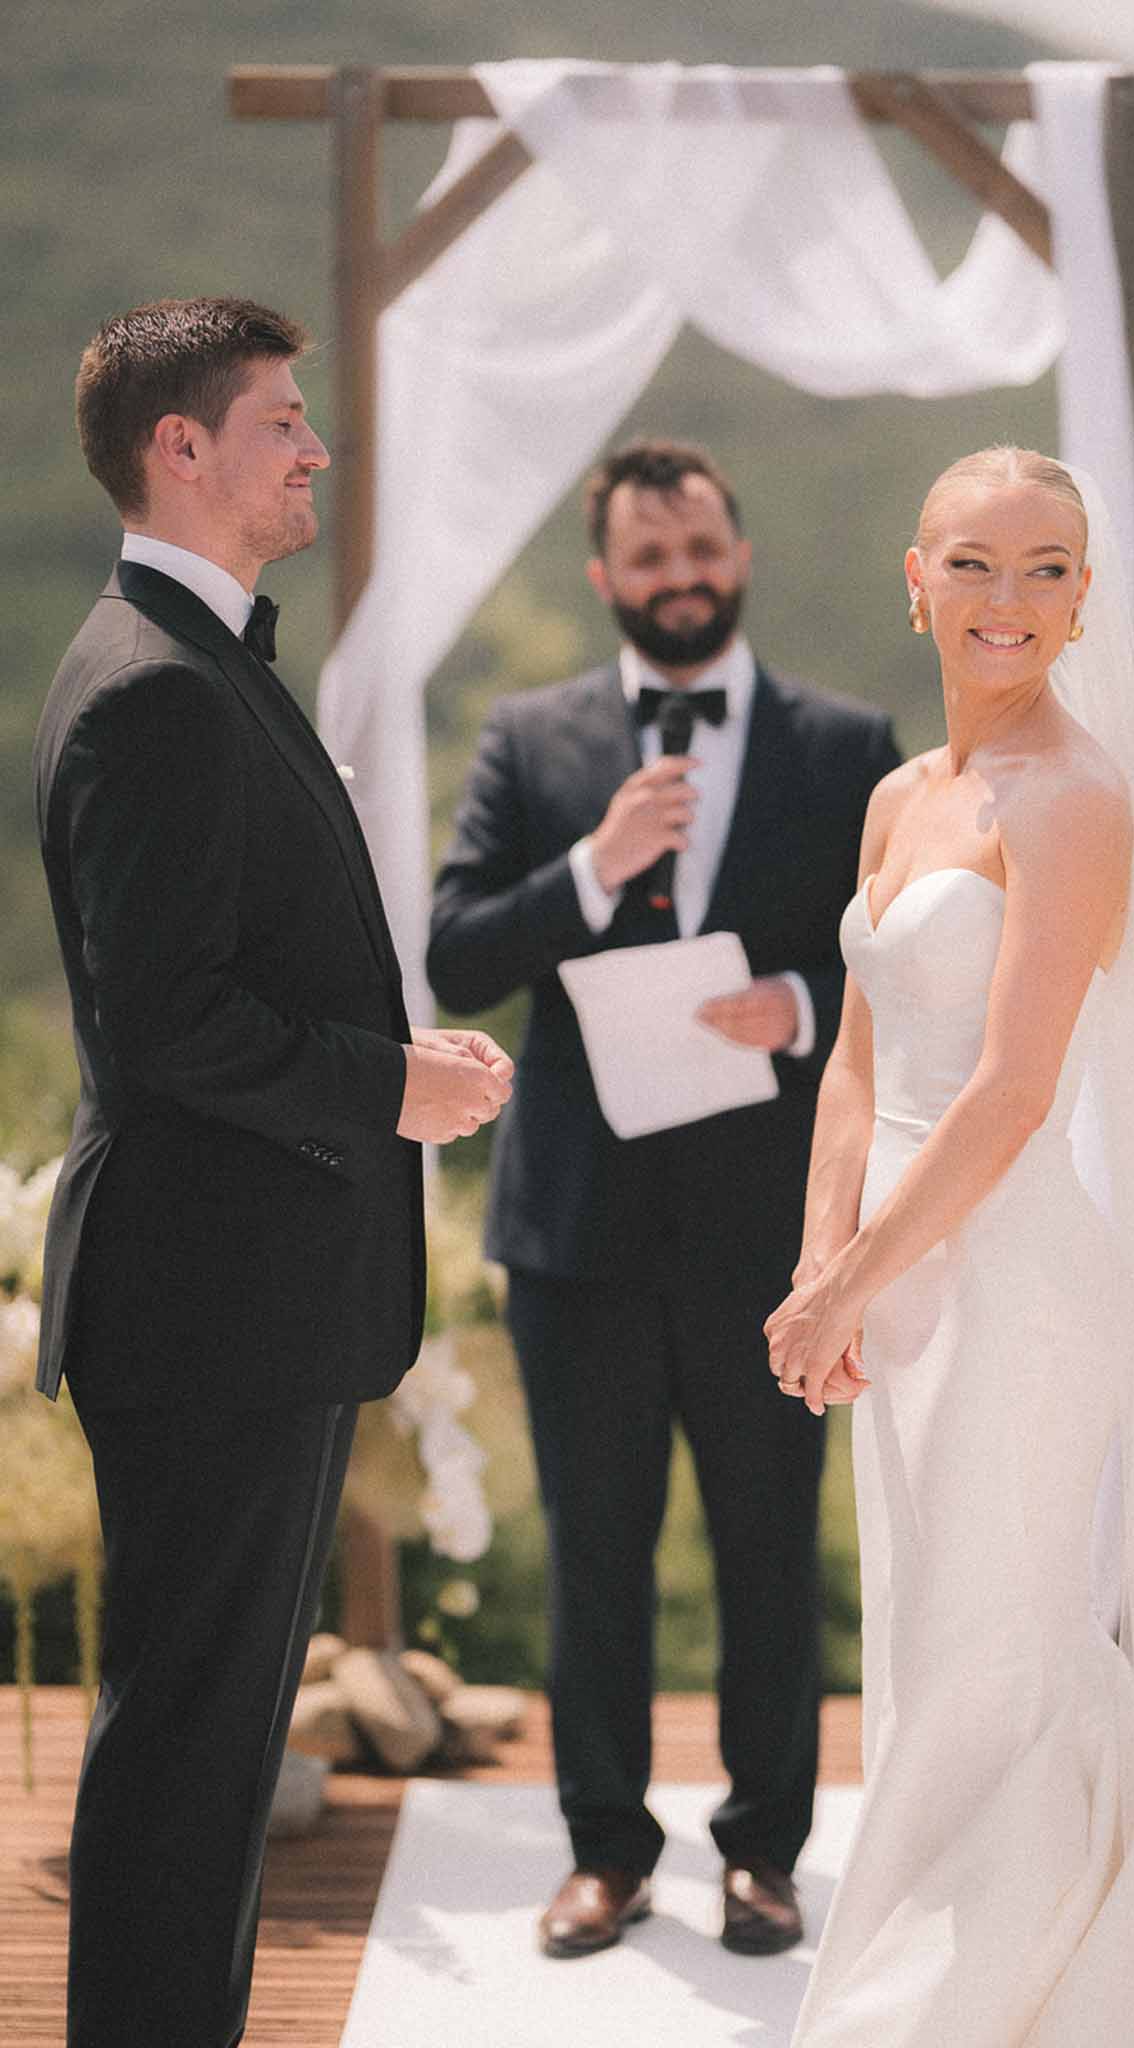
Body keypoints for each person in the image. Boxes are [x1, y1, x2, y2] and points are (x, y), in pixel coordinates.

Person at [765, 447, 1134, 2045]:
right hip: (897, 1282)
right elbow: (860, 1059)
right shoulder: (902, 796)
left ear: (1086, 596)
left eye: (1045, 567)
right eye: (973, 563)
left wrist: (850, 1280)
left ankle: (957, 2002)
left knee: (1000, 1654)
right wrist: (823, 1271)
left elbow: (1018, 1091)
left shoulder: (1078, 799)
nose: (1007, 600)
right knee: (930, 1643)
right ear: (915, 580)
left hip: (1018, 1287)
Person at [33, 296, 513, 2048]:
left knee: (217, 1759)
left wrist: (401, 1069)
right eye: (282, 420)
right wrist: (392, 1090)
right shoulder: (157, 687)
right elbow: (163, 1025)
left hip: (238, 1308)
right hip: (210, 1311)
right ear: (182, 448)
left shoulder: (200, 656)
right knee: (184, 1760)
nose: (315, 448)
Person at [427, 439, 900, 1959]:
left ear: (738, 552)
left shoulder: (847, 741)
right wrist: (591, 866)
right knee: (596, 1551)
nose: (680, 578)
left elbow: (892, 966)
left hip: (776, 1231)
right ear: (606, 576)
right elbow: (455, 958)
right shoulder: (530, 735)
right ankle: (605, 1852)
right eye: (649, 559)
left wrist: (799, 1002)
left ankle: (764, 1852)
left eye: (701, 549)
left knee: (772, 1547)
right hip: (579, 1232)